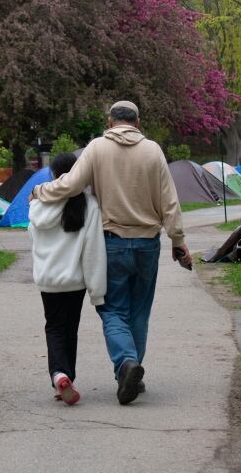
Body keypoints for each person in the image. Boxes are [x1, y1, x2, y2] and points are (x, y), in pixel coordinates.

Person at [31, 100, 192, 405]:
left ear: (109, 122)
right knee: (139, 311)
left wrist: (40, 191)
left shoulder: (96, 147)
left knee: (113, 309)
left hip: (113, 242)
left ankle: (126, 364)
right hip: (147, 243)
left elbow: (70, 186)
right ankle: (130, 370)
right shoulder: (153, 150)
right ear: (138, 123)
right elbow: (170, 203)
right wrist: (178, 240)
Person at [28, 152, 107, 406]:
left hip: (48, 279)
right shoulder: (89, 204)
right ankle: (65, 375)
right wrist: (97, 290)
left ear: (52, 175)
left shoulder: (38, 204)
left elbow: (34, 241)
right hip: (75, 281)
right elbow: (94, 249)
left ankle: (59, 375)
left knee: (53, 326)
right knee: (69, 328)